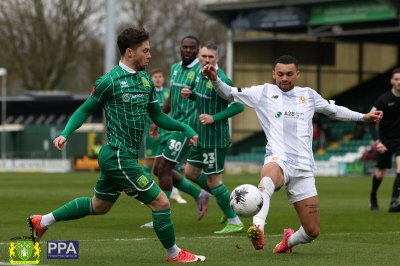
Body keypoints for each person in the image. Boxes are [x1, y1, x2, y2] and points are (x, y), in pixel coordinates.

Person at [27, 27, 205, 263]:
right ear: (130, 52)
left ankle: (43, 221)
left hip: (123, 157)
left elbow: (158, 117)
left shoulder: (145, 80)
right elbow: (85, 109)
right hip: (118, 156)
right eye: (146, 50)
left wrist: (185, 128)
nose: (150, 55)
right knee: (161, 202)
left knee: (100, 206)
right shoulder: (109, 81)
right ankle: (174, 253)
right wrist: (66, 133)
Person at [202, 55, 382, 253]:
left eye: (289, 74)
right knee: (269, 178)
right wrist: (215, 79)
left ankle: (289, 241)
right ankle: (258, 227)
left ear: (297, 74)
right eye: (280, 74)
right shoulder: (263, 92)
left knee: (312, 231)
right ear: (273, 74)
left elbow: (334, 111)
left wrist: (363, 117)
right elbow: (228, 94)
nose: (284, 78)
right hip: (278, 158)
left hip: (303, 167)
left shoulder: (308, 95)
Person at [181, 41, 245, 233]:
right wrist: (190, 95)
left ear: (216, 58)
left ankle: (234, 221)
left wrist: (213, 118)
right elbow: (204, 98)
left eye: (211, 57)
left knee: (214, 181)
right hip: (201, 136)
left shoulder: (222, 78)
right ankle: (224, 201)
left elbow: (238, 106)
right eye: (204, 56)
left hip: (215, 138)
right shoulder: (200, 75)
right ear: (199, 57)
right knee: (190, 173)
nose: (207, 60)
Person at [150, 36, 210, 224]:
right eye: (184, 47)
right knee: (157, 170)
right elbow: (171, 98)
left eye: (191, 48)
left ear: (197, 50)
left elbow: (205, 98)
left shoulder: (200, 72)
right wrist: (157, 119)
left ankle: (162, 216)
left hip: (187, 127)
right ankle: (198, 193)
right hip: (172, 125)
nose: (187, 50)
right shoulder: (175, 68)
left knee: (165, 169)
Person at [143, 69, 187, 206]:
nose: (157, 79)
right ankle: (147, 192)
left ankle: (174, 192)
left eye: (159, 76)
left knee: (167, 165)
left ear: (163, 79)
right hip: (152, 134)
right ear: (151, 79)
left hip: (168, 133)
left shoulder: (169, 92)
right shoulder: (147, 93)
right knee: (151, 164)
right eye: (154, 76)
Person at [368, 67, 400, 212]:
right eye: (397, 79)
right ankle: (373, 195)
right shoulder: (383, 99)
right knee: (380, 173)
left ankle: (394, 202)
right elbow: (370, 121)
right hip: (385, 140)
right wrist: (377, 141)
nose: (399, 82)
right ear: (391, 81)